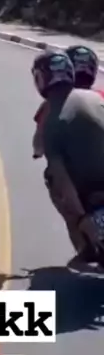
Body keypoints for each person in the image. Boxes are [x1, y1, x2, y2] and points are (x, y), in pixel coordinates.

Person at [32, 50, 104, 264]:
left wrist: (81, 218)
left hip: (88, 187)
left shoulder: (51, 118)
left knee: (52, 178)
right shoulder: (96, 97)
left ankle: (84, 246)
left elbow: (61, 177)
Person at [33, 44, 103, 159]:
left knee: (54, 165)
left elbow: (38, 147)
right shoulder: (100, 96)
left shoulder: (50, 104)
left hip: (74, 166)